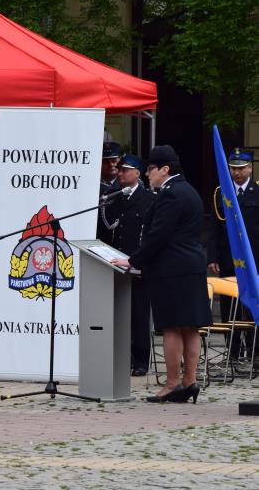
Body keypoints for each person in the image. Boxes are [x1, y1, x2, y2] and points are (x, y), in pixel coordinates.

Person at [112, 145, 211, 403]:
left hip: (172, 268)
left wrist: (134, 260)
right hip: (190, 266)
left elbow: (158, 235)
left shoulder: (171, 194)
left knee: (171, 327)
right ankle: (190, 381)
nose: (147, 174)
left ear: (165, 169)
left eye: (151, 169)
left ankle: (172, 383)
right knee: (190, 327)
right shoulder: (188, 190)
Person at [101, 153, 155, 376]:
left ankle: (141, 359)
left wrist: (143, 262)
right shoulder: (114, 197)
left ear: (138, 173)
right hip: (116, 261)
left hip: (137, 263)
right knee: (119, 314)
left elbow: (150, 235)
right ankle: (122, 357)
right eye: (119, 169)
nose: (120, 173)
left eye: (125, 169)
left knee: (139, 314)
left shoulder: (150, 198)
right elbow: (110, 229)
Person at [207, 148, 258, 363]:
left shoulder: (257, 192)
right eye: (233, 168)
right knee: (230, 311)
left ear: (250, 168)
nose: (237, 173)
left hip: (254, 261)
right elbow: (215, 229)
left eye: (241, 168)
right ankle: (233, 352)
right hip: (229, 260)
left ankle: (255, 353)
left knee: (253, 307)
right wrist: (213, 256)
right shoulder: (222, 193)